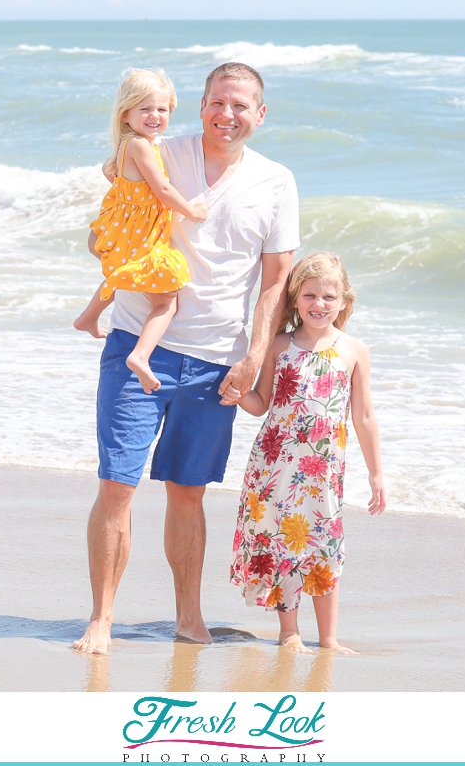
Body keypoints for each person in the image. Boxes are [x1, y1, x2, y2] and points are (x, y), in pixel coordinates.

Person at [72, 62, 298, 655]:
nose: (228, 114)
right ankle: (101, 619)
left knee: (188, 491)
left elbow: (276, 279)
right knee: (117, 485)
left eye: (241, 106)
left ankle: (189, 618)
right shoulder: (158, 150)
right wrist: (99, 239)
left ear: (260, 114)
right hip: (135, 340)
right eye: (218, 102)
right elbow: (109, 217)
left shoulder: (276, 182)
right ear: (201, 105)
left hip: (215, 360)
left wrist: (254, 357)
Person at [230, 252, 385, 654]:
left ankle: (329, 638)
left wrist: (376, 474)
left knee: (324, 543)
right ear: (295, 299)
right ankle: (289, 632)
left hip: (322, 471)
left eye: (329, 297)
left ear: (344, 301)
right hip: (275, 464)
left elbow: (364, 417)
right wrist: (234, 393)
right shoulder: (279, 345)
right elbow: (261, 401)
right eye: (310, 295)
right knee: (281, 541)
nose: (319, 304)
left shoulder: (353, 350)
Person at [73, 68, 209, 393]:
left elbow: (117, 179)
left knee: (123, 273)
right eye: (145, 109)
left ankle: (87, 318)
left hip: (126, 227)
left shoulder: (126, 146)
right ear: (126, 113)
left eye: (162, 109)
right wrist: (192, 210)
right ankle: (141, 355)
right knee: (167, 300)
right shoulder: (142, 146)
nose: (154, 116)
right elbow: (162, 188)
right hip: (141, 234)